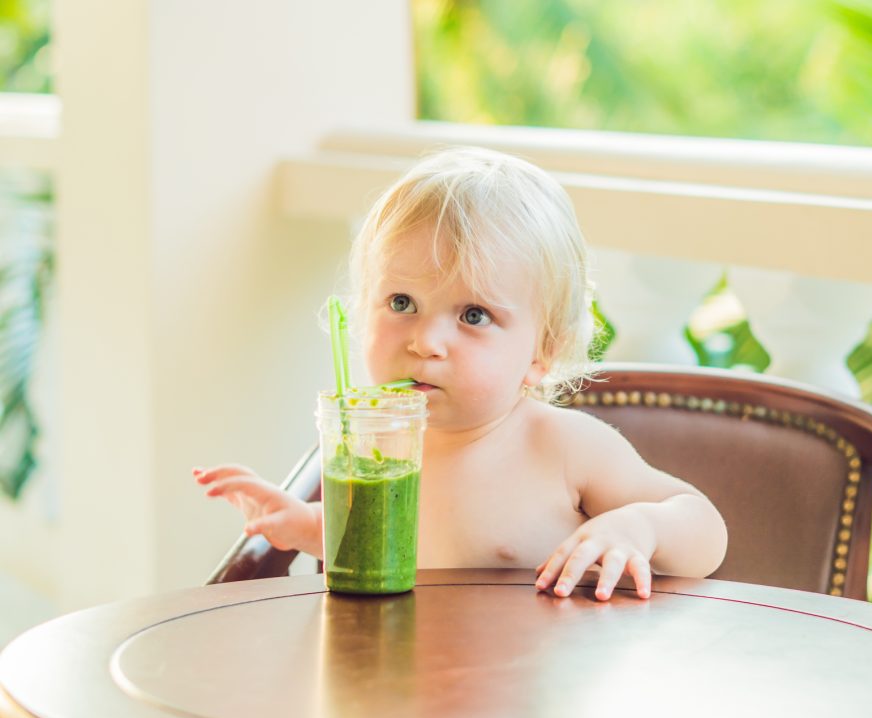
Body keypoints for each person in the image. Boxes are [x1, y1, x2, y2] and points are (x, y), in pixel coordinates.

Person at [194, 146, 727, 602]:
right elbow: (384, 546)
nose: (425, 341)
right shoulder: (374, 447)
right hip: (394, 702)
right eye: (402, 302)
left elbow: (705, 528)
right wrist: (305, 526)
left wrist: (641, 526)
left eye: (474, 316)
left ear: (543, 351)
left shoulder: (560, 447)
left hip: (519, 711)